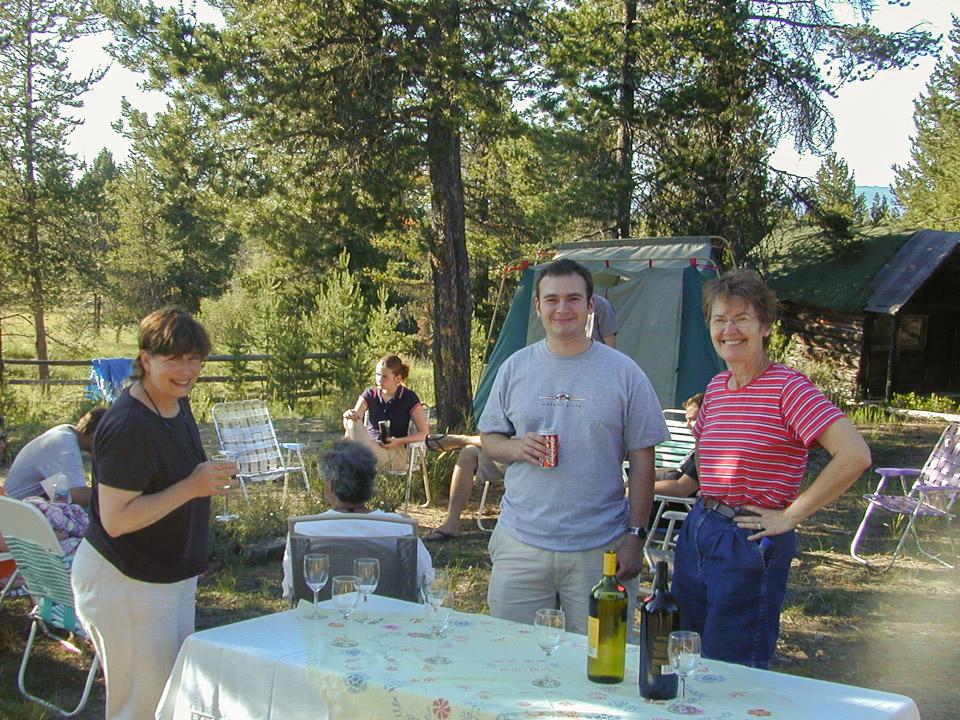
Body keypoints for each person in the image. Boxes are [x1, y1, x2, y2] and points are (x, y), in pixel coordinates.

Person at [672, 269, 871, 669]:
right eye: (720, 319)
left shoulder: (788, 388)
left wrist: (792, 515)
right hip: (698, 530)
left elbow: (855, 455)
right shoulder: (715, 389)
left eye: (742, 318)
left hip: (748, 539)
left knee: (732, 667)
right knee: (683, 652)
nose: (730, 329)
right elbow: (702, 472)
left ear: (764, 326)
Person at [478, 258, 668, 635]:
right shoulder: (514, 368)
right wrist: (517, 449)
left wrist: (635, 536)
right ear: (538, 307)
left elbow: (643, 461)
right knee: (511, 658)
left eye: (573, 299)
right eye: (551, 300)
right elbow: (489, 440)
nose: (562, 309)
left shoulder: (624, 372)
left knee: (602, 661)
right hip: (522, 543)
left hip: (601, 547)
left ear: (590, 305)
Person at [71, 307, 236, 720]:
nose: (187, 369)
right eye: (174, 359)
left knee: (173, 697)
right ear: (146, 360)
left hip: (168, 577)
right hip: (127, 581)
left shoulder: (176, 404)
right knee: (141, 707)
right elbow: (116, 519)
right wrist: (191, 487)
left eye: (194, 358)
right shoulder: (128, 424)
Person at [282, 439, 434, 598]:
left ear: (331, 485)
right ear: (370, 485)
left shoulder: (303, 530)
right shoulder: (401, 529)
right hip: (387, 618)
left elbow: (293, 587)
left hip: (323, 618)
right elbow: (423, 583)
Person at [2, 408, 107, 506]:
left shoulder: (64, 432)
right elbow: (80, 497)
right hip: (15, 514)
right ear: (96, 435)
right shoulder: (64, 445)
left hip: (20, 509)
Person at [342, 354, 428, 471]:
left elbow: (424, 433)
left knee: (347, 454)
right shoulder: (370, 394)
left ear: (397, 378)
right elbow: (351, 424)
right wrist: (348, 417)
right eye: (377, 375)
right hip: (369, 444)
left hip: (394, 451)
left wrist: (399, 441)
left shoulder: (408, 397)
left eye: (384, 376)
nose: (379, 380)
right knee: (353, 422)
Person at [421, 434, 506, 542]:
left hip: (528, 461)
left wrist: (461, 440)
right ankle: (451, 524)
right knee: (468, 452)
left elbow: (514, 441)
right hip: (507, 456)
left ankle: (461, 440)